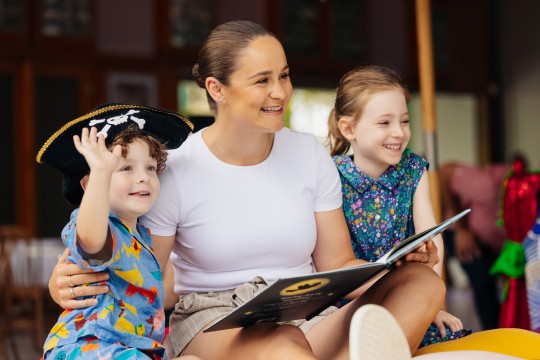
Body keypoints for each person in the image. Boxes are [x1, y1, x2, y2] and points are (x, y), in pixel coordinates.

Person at [47, 21, 445, 359]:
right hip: (215, 322)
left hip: (305, 314)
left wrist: (395, 264)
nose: (280, 92)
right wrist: (73, 276)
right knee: (284, 343)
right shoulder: (177, 169)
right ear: (217, 89)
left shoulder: (308, 153)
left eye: (284, 75)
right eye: (262, 80)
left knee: (422, 283)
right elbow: (149, 274)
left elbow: (337, 264)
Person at [37, 104, 198, 359]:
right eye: (125, 168)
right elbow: (91, 240)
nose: (143, 177)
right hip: (90, 346)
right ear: (89, 184)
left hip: (131, 348)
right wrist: (101, 173)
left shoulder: (143, 236)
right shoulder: (102, 226)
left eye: (150, 167)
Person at [326, 66, 469, 347]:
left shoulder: (414, 169)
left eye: (404, 121)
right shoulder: (331, 174)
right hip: (351, 299)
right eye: (384, 123)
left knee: (444, 337)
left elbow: (432, 238)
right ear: (349, 128)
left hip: (406, 290)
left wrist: (434, 303)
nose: (399, 133)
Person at [439, 161, 509, 330]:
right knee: (483, 279)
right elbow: (446, 172)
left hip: (500, 246)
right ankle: (494, 337)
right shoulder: (491, 183)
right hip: (465, 234)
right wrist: (462, 230)